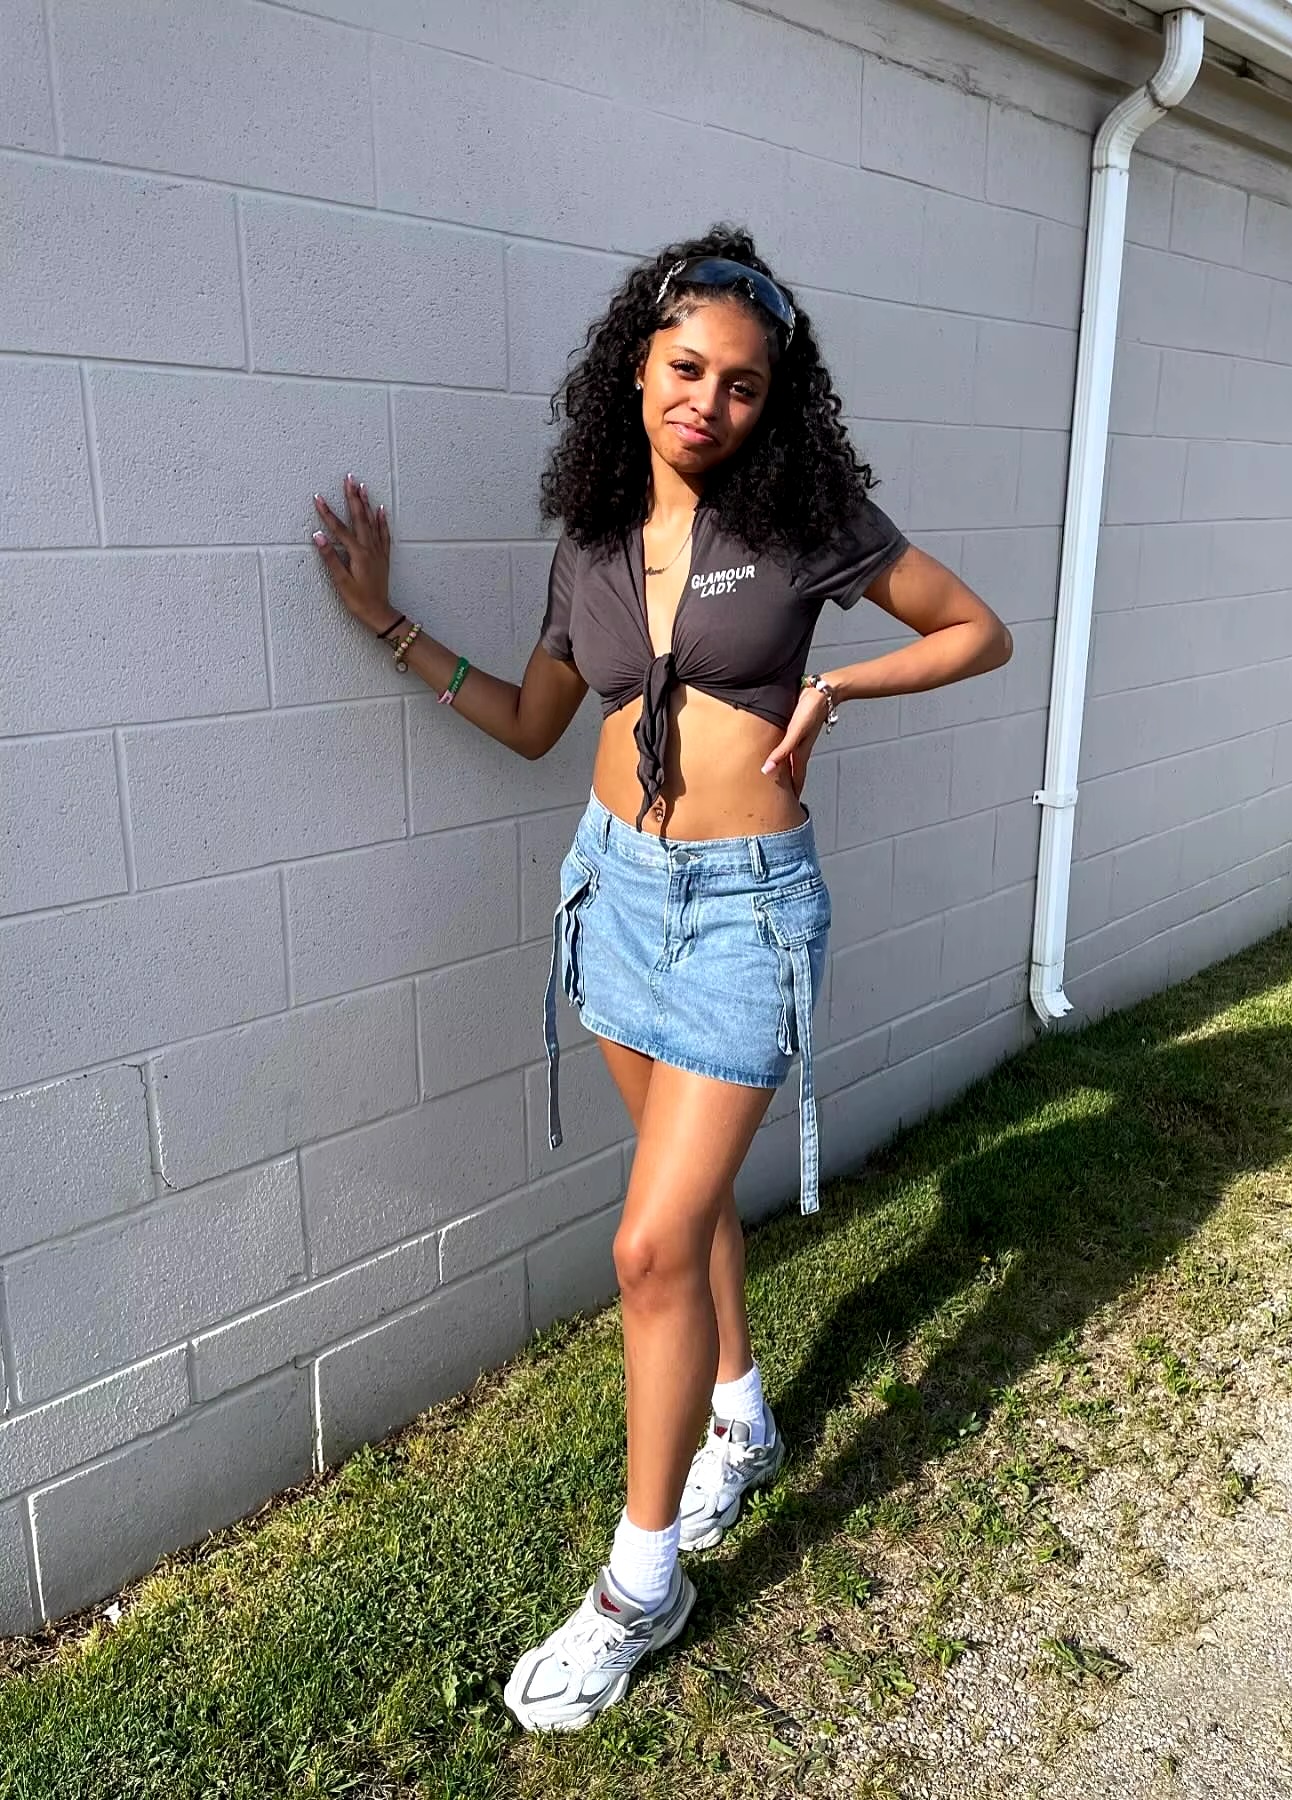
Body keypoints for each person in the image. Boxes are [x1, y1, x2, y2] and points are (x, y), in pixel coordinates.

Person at [311, 225, 1012, 1734]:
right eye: (688, 368)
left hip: (747, 913)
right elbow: (530, 722)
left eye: (744, 385)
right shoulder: (588, 542)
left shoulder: (807, 518)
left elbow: (978, 630)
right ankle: (740, 1418)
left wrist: (836, 684)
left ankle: (641, 1590)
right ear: (636, 368)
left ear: (774, 403)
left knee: (646, 1247)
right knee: (681, 1215)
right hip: (616, 893)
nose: (711, 402)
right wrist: (386, 623)